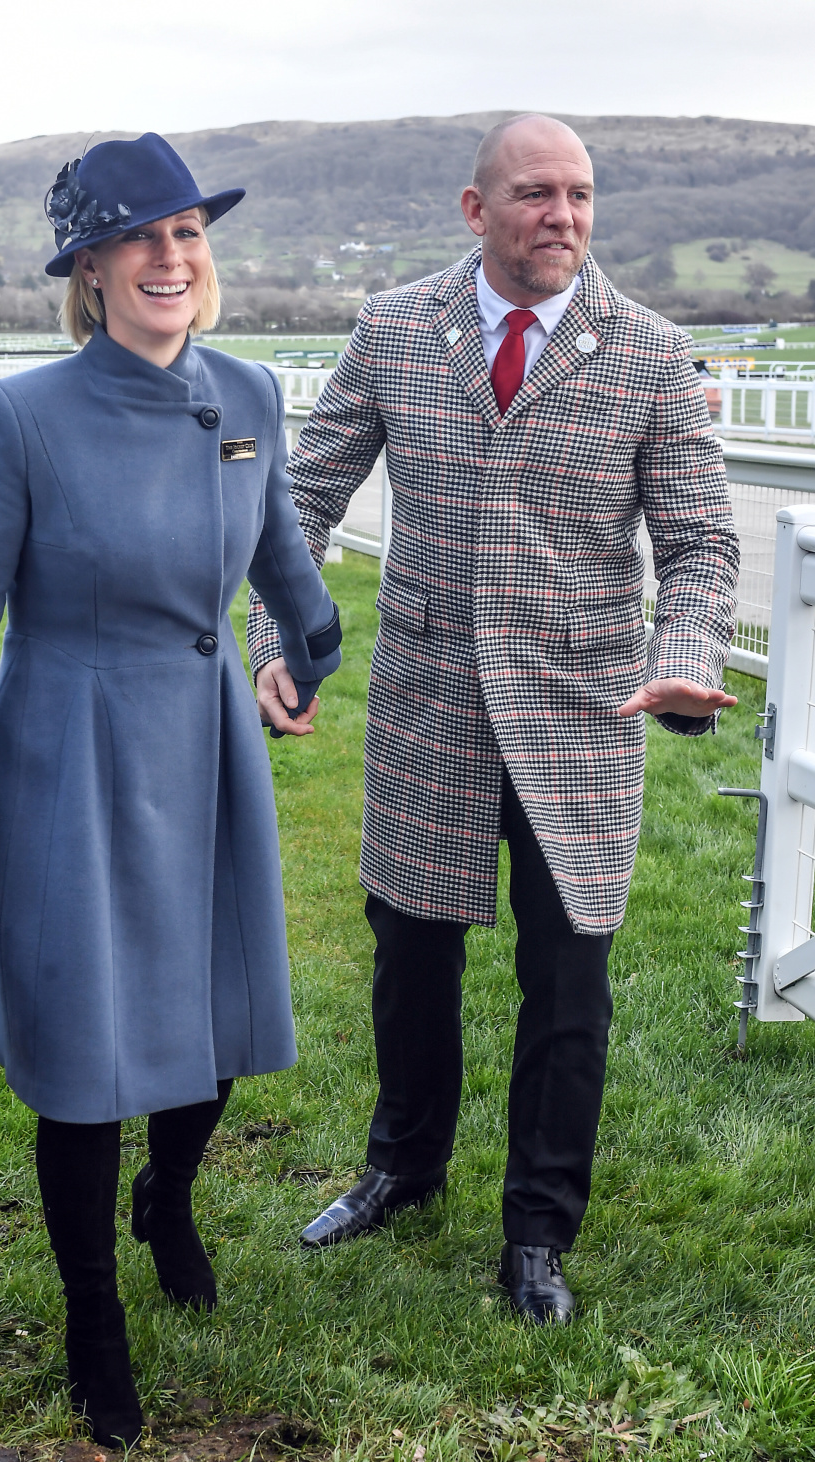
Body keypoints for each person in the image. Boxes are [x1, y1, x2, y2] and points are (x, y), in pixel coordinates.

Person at [0, 132, 341, 1447]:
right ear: (88, 265)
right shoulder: (20, 418)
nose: (170, 254)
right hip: (69, 755)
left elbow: (280, 555)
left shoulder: (249, 393)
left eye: (189, 230)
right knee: (88, 1062)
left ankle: (171, 1201)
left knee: (211, 1028)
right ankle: (96, 1319)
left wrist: (310, 644)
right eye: (141, 234)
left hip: (204, 752)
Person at [248, 114, 739, 1324]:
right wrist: (276, 642)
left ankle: (537, 1234)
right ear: (478, 210)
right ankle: (402, 1169)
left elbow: (699, 543)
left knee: (568, 986)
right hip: (427, 706)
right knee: (412, 963)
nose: (560, 217)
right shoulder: (395, 327)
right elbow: (300, 498)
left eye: (577, 195)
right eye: (533, 194)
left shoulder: (649, 352)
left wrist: (682, 656)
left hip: (583, 711)